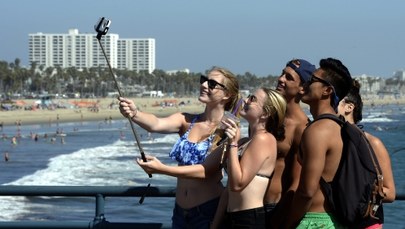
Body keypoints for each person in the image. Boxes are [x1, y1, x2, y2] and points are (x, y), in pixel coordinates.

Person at [119, 66, 240, 229]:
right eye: (204, 80)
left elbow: (204, 170)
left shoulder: (228, 130)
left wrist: (161, 169)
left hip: (207, 211)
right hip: (180, 211)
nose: (204, 85)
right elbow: (156, 124)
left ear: (227, 95)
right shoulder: (186, 120)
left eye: (212, 84)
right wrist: (134, 113)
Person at [285, 57, 353, 228]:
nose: (306, 84)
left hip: (314, 221)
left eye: (312, 81)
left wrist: (288, 223)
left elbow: (306, 192)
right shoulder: (340, 127)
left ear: (327, 91)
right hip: (334, 221)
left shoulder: (318, 131)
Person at [215, 88, 286, 228]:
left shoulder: (265, 139)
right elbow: (229, 187)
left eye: (252, 99)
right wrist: (216, 223)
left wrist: (233, 144)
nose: (245, 100)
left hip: (247, 219)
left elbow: (237, 184)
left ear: (266, 113)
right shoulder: (245, 142)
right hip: (230, 217)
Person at [263, 59, 315, 227]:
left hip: (273, 208)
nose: (281, 79)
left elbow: (297, 182)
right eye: (282, 73)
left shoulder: (302, 127)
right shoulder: (266, 117)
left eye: (289, 77)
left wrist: (281, 220)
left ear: (302, 88)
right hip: (247, 206)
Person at [337, 80, 396, 228]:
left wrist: (352, 188)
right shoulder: (327, 141)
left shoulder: (372, 143)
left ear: (349, 107)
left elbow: (390, 193)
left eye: (335, 101)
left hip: (365, 222)